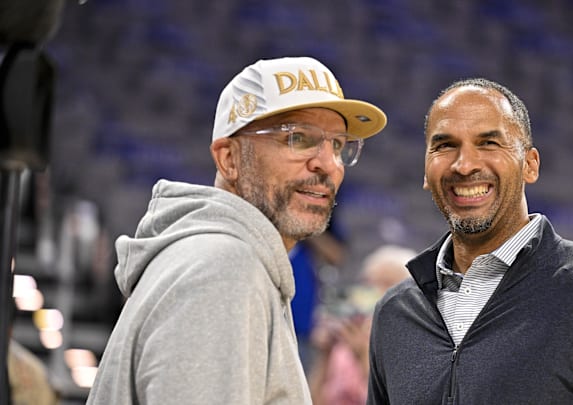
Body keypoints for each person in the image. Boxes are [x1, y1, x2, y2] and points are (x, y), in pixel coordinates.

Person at [86, 56, 386, 404]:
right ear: (229, 159)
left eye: (337, 144)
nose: (328, 163)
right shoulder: (222, 270)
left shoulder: (227, 261)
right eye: (299, 138)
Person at [366, 78, 573, 404]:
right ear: (426, 172)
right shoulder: (394, 311)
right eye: (445, 145)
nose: (465, 164)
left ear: (530, 164)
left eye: (489, 143)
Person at [309, 244, 415, 405]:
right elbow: (313, 400)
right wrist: (325, 355)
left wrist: (362, 355)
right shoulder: (345, 341)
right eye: (369, 284)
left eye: (387, 283)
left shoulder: (417, 343)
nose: (376, 292)